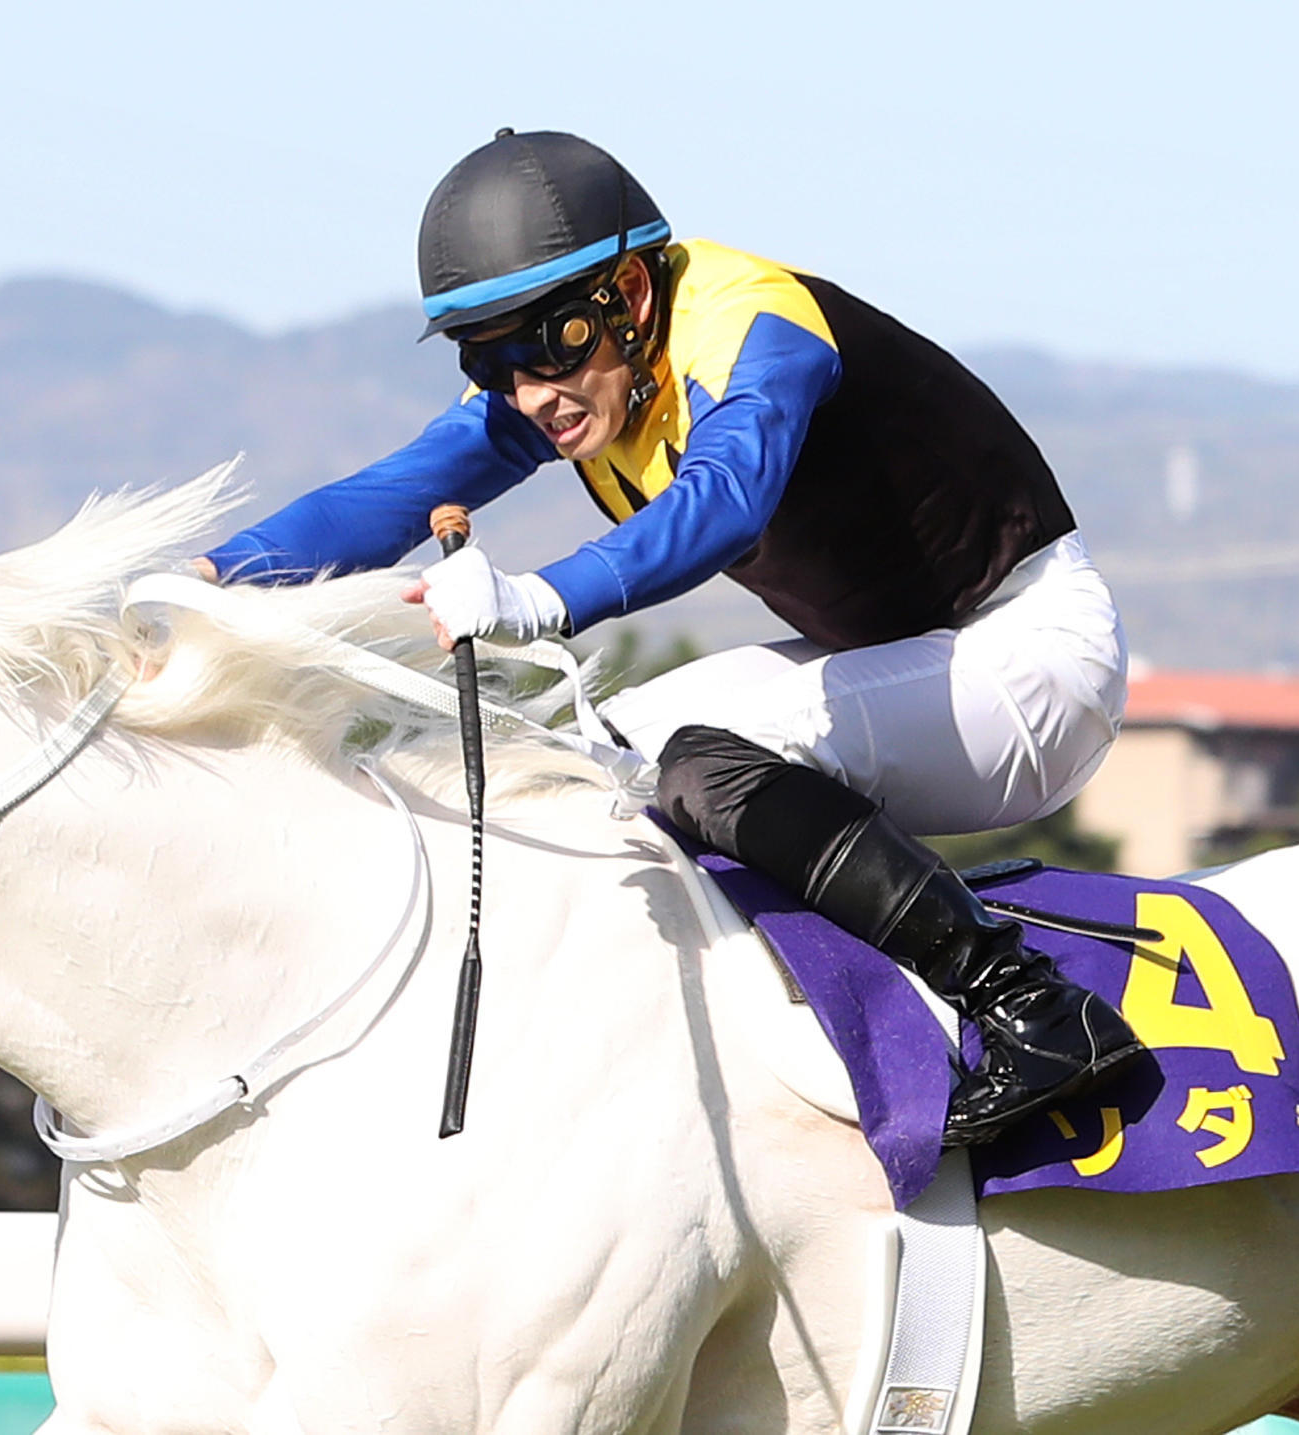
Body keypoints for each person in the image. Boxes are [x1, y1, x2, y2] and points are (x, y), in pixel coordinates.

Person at [194, 128, 1142, 1148]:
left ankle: (1031, 1007)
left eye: (549, 344)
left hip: (1028, 660)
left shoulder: (755, 324)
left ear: (633, 296)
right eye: (492, 361)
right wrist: (200, 579)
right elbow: (391, 495)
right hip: (906, 665)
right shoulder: (577, 382)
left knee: (692, 763)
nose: (529, 393)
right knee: (575, 760)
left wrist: (543, 597)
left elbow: (725, 498)